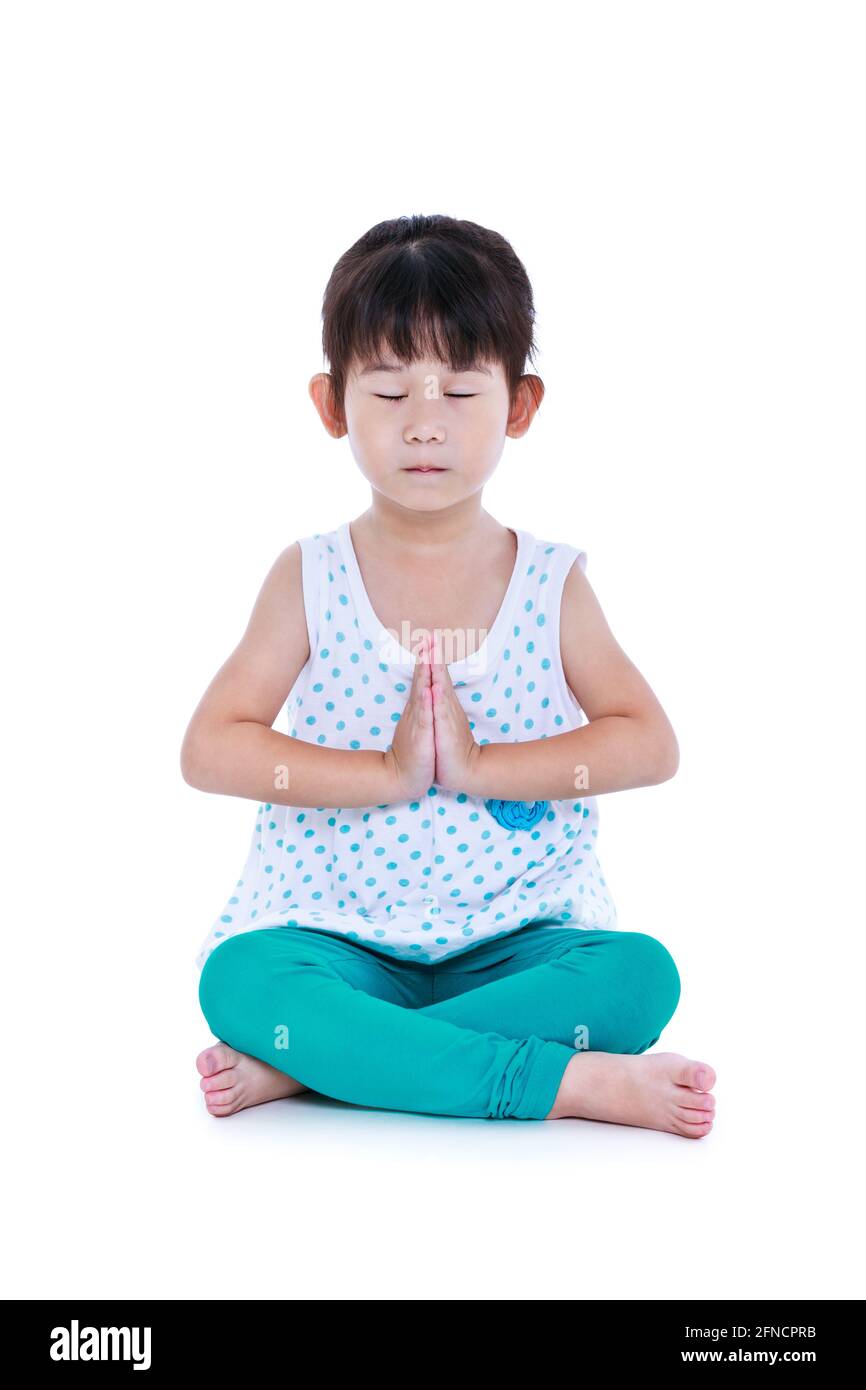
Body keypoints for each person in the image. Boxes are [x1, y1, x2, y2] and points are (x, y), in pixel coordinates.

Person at [181, 213, 716, 1134]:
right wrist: (385, 777)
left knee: (638, 979)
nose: (423, 426)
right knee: (241, 982)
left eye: (460, 393)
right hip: (335, 934)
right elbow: (209, 750)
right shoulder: (309, 574)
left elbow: (649, 743)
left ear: (519, 405)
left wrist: (480, 768)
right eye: (388, 394)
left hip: (519, 940)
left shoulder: (551, 581)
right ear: (330, 406)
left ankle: (324, 1066)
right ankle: (565, 1084)